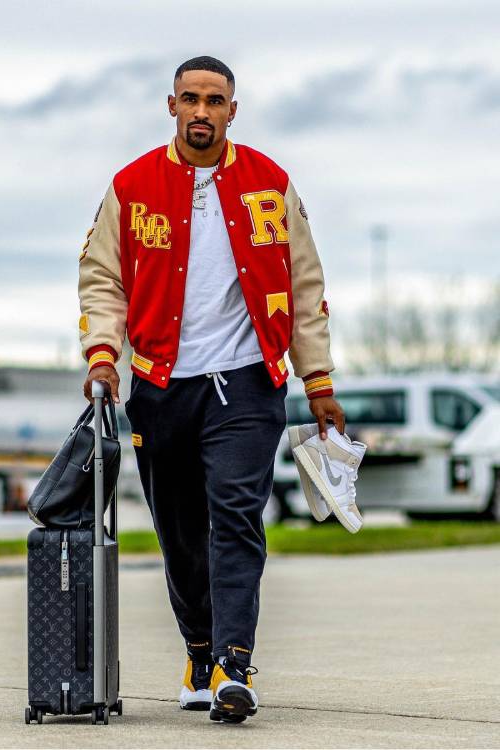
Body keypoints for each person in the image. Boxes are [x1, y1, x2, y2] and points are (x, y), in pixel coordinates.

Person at [78, 55, 345, 724]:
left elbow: (306, 285)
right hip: (163, 385)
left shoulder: (270, 183)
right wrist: (104, 356)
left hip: (250, 385)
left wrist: (319, 382)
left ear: (233, 109)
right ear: (171, 106)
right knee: (179, 532)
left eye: (215, 101)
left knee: (235, 516)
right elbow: (102, 278)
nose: (203, 111)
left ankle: (233, 660)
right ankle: (199, 648)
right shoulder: (131, 187)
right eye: (190, 99)